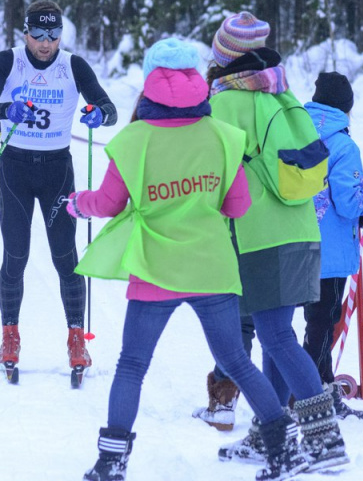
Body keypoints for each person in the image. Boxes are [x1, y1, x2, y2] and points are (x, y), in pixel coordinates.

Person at [71, 37, 308, 481]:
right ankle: (284, 449)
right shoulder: (221, 135)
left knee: (132, 365)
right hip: (211, 264)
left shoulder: (132, 141)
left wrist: (76, 203)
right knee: (236, 360)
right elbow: (237, 206)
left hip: (154, 267)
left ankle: (111, 461)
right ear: (199, 82)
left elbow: (106, 203)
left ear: (147, 84)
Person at [204, 12, 348, 472]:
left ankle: (324, 441)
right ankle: (271, 433)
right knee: (275, 336)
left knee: (277, 337)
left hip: (260, 235)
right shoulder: (280, 92)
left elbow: (214, 172)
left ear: (224, 55)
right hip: (302, 231)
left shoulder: (227, 102)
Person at [0, 0, 117, 376]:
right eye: (38, 34)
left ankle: (76, 341)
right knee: (16, 256)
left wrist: (99, 114)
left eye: (53, 35)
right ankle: (10, 335)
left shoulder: (72, 65)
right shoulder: (8, 61)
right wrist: (7, 109)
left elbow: (108, 107)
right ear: (26, 33)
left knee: (66, 258)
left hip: (57, 170)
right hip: (15, 168)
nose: (45, 42)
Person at [303, 71, 363, 420]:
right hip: (329, 254)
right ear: (346, 107)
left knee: (319, 323)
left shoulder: (297, 129)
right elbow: (346, 203)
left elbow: (327, 182)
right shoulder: (344, 144)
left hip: (296, 244)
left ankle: (323, 394)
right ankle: (304, 398)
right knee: (322, 325)